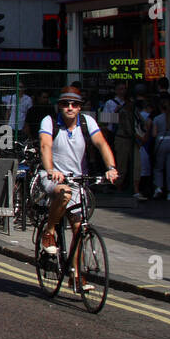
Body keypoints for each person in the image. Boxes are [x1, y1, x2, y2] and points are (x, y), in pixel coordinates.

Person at [38, 86, 120, 293]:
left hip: (78, 180)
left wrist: (111, 168)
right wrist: (51, 170)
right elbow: (45, 146)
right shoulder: (49, 121)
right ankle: (49, 232)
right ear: (60, 106)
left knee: (79, 229)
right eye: (65, 104)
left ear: (80, 107)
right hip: (51, 176)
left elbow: (101, 143)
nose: (70, 108)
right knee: (63, 192)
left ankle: (75, 276)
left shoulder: (87, 122)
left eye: (74, 104)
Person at [149, 92, 170, 200]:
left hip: (160, 142)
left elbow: (153, 134)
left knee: (158, 168)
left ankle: (158, 187)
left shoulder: (157, 119)